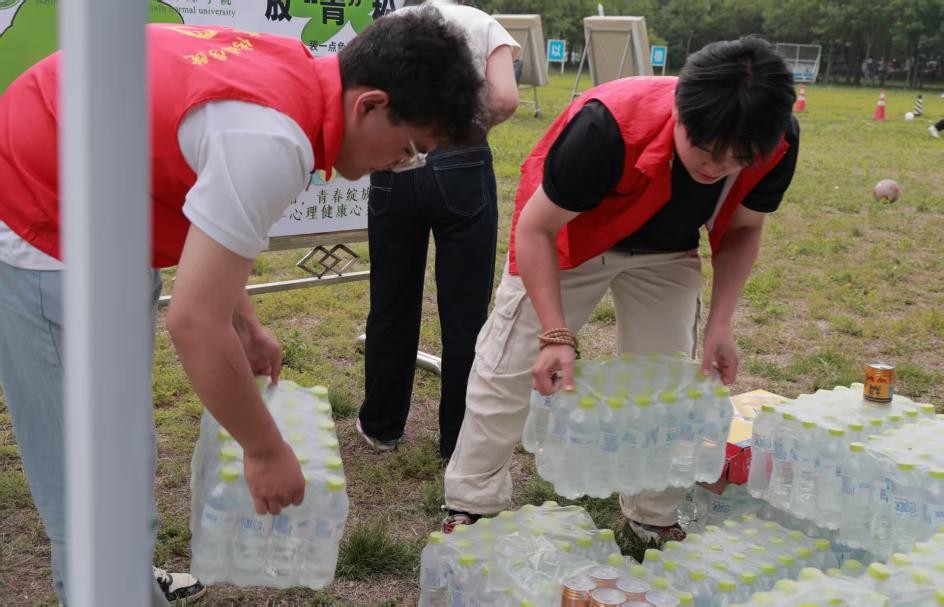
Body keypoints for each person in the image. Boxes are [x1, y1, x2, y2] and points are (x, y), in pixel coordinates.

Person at [0, 9, 485, 606]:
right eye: (410, 149)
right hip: (46, 224)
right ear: (370, 104)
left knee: (119, 447)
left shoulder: (299, 78)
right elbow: (193, 322)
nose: (402, 166)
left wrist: (245, 321)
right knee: (91, 489)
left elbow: (207, 218)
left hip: (102, 205)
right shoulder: (270, 139)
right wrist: (265, 449)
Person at [440, 37, 799, 544]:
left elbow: (742, 229)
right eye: (705, 149)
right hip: (569, 238)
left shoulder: (775, 139)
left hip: (667, 249)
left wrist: (721, 323)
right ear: (679, 112)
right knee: (511, 367)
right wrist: (555, 333)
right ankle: (471, 502)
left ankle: (653, 513)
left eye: (736, 159)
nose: (716, 167)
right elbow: (537, 229)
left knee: (669, 381)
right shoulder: (606, 125)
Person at [355, 0, 519, 460]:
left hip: (395, 158)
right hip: (463, 163)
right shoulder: (485, 24)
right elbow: (505, 99)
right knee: (465, 311)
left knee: (391, 301)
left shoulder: (390, 23)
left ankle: (382, 425)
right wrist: (458, 129)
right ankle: (459, 437)